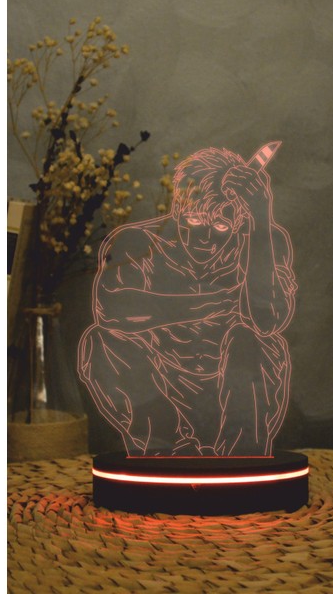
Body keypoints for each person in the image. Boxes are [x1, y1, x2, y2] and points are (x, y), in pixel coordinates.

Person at [78, 146, 296, 456]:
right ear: (177, 208)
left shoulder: (265, 240)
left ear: (239, 220)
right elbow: (109, 309)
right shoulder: (136, 241)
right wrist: (203, 305)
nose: (202, 238)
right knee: (100, 340)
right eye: (192, 220)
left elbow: (269, 320)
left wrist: (260, 223)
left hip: (237, 390)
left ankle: (243, 457)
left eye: (220, 226)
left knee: (248, 338)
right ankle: (163, 450)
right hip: (160, 392)